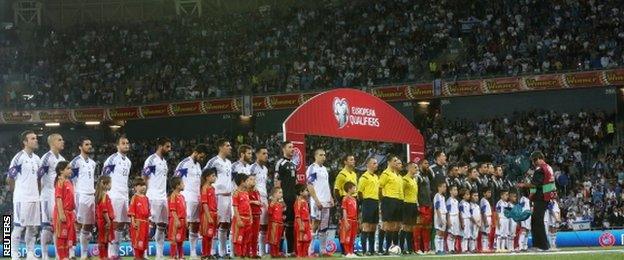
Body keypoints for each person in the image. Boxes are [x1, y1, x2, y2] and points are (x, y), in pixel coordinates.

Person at [8, 130, 42, 260]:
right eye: (33, 138)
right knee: (18, 226)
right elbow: (10, 178)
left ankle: (30, 253)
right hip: (22, 198)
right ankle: (14, 253)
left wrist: (37, 193)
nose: (36, 140)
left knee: (32, 228)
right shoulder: (19, 157)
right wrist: (16, 194)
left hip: (34, 197)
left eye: (36, 138)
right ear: (25, 142)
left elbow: (39, 179)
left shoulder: (37, 159)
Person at [517, 151, 557, 251]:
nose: (534, 163)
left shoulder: (540, 169)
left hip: (541, 197)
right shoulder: (549, 168)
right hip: (547, 196)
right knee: (538, 220)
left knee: (536, 221)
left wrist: (523, 185)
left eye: (534, 161)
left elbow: (535, 184)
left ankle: (540, 246)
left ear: (539, 158)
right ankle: (544, 245)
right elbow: (550, 184)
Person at [175, 143, 209, 259]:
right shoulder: (185, 163)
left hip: (197, 198)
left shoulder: (198, 165)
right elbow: (176, 179)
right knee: (184, 225)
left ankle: (193, 252)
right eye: (201, 156)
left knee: (195, 225)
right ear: (196, 152)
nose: (202, 159)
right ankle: (178, 253)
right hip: (187, 198)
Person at [102, 135, 132, 259]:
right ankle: (110, 252)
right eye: (123, 143)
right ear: (117, 146)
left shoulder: (129, 161)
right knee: (114, 223)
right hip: (113, 195)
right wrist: (104, 195)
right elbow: (104, 178)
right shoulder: (112, 159)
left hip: (124, 195)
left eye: (127, 143)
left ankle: (116, 251)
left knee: (122, 224)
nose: (126, 145)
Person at [142, 137, 172, 260]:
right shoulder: (152, 160)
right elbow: (144, 175)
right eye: (167, 146)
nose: (169, 149)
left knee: (162, 225)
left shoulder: (164, 161)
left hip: (163, 197)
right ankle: (143, 253)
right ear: (160, 146)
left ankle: (159, 255)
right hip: (153, 196)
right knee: (148, 225)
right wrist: (145, 194)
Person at [38, 133, 66, 260]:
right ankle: (44, 255)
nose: (63, 141)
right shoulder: (46, 157)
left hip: (58, 196)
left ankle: (57, 255)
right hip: (47, 195)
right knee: (47, 226)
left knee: (58, 226)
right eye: (60, 140)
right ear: (52, 143)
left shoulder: (62, 159)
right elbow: (38, 176)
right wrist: (39, 193)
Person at [204, 139, 233, 258]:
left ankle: (222, 252)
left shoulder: (229, 162)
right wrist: (208, 190)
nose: (230, 147)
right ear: (220, 147)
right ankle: (211, 251)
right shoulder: (214, 161)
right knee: (215, 224)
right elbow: (204, 174)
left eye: (229, 145)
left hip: (228, 196)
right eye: (227, 145)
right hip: (218, 196)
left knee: (225, 225)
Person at [70, 137, 96, 260]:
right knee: (78, 224)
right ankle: (74, 252)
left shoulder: (93, 163)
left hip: (91, 195)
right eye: (86, 144)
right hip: (80, 195)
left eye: (90, 144)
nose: (89, 146)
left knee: (89, 226)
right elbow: (70, 179)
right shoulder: (76, 162)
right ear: (80, 147)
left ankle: (85, 252)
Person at [306, 149, 333, 256]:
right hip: (317, 201)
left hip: (326, 201)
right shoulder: (312, 168)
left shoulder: (325, 169)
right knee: (315, 225)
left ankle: (323, 250)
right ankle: (310, 251)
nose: (323, 157)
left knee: (324, 226)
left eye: (324, 155)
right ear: (315, 156)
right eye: (321, 155)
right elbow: (309, 185)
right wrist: (316, 200)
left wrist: (330, 197)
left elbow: (326, 184)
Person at [275, 141, 297, 256]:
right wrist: (279, 200)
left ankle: (290, 251)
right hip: (284, 199)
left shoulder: (293, 164)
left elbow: (295, 183)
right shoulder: (280, 163)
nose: (292, 149)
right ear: (284, 149)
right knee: (281, 225)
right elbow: (277, 183)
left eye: (293, 147)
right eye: (290, 147)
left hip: (292, 199)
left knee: (291, 225)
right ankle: (278, 250)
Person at [379, 155, 404, 253]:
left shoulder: (396, 175)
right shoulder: (385, 174)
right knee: (387, 225)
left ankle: (393, 247)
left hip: (398, 201)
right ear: (389, 162)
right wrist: (383, 200)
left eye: (397, 161)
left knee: (396, 226)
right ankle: (382, 249)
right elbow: (380, 187)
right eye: (394, 161)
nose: (396, 163)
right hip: (388, 200)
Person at [53, 161, 76, 260]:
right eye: (68, 168)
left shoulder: (69, 181)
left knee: (68, 237)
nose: (70, 170)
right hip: (62, 213)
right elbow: (58, 198)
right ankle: (61, 257)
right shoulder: (60, 182)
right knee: (61, 236)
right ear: (61, 171)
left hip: (70, 213)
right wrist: (61, 214)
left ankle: (66, 256)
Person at [250, 146, 270, 256]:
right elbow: (250, 183)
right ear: (257, 154)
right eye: (263, 153)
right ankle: (252, 250)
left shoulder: (265, 169)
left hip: (264, 197)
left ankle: (262, 252)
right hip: (256, 198)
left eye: (267, 153)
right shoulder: (252, 168)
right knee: (255, 226)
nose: (266, 155)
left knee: (264, 225)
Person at [357, 157, 379, 256]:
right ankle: (364, 251)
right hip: (367, 202)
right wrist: (363, 203)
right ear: (369, 165)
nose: (376, 165)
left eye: (376, 163)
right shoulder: (364, 177)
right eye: (374, 163)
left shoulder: (376, 177)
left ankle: (372, 250)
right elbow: (359, 192)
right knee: (366, 227)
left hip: (375, 202)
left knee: (373, 227)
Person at [414, 159, 433, 254]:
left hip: (428, 205)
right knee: (418, 227)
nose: (428, 165)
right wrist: (417, 204)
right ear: (420, 164)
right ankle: (417, 248)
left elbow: (433, 176)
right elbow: (414, 191)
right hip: (421, 205)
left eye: (428, 163)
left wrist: (429, 169)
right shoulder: (418, 176)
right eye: (426, 163)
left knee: (426, 228)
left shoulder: (427, 175)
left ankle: (426, 249)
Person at [128, 177, 150, 259]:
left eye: (144, 185)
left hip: (145, 223)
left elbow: (148, 212)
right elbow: (132, 211)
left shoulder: (146, 198)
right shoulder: (135, 197)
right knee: (137, 241)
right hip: (138, 222)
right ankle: (137, 257)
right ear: (136, 187)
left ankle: (141, 256)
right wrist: (133, 222)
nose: (143, 187)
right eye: (141, 185)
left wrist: (149, 223)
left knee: (144, 241)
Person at [232, 174, 253, 257]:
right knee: (239, 238)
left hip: (248, 219)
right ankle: (239, 254)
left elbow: (249, 206)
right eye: (247, 181)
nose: (248, 182)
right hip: (240, 218)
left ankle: (243, 253)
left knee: (246, 238)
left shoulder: (246, 193)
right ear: (242, 182)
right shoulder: (236, 193)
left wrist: (251, 217)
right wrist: (238, 219)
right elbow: (235, 207)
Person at [400, 162, 418, 254]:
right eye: (415, 167)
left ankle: (410, 249)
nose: (417, 169)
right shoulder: (404, 180)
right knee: (405, 227)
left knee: (411, 228)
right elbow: (401, 192)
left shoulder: (414, 179)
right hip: (406, 204)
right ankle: (402, 248)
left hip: (414, 204)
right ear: (409, 168)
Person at [199, 168, 218, 258]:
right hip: (207, 214)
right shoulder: (204, 188)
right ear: (207, 177)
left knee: (211, 235)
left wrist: (216, 213)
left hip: (214, 213)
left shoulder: (213, 188)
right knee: (206, 235)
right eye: (213, 176)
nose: (215, 177)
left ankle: (209, 253)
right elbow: (204, 203)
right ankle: (204, 254)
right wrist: (208, 216)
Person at [95, 176, 114, 260]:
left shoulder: (103, 195)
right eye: (110, 183)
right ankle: (102, 257)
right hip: (104, 221)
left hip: (103, 220)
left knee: (105, 240)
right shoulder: (103, 195)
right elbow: (104, 209)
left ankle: (105, 256)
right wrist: (108, 221)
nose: (111, 185)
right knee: (103, 239)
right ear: (105, 184)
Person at [168, 177, 187, 260]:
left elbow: (184, 210)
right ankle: (173, 256)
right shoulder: (173, 196)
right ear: (177, 186)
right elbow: (172, 210)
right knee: (174, 238)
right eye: (182, 183)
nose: (184, 185)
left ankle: (181, 256)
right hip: (175, 221)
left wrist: (185, 221)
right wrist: (176, 220)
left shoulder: (182, 197)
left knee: (181, 239)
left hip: (182, 220)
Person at [340, 182, 358, 258]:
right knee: (347, 237)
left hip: (354, 220)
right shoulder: (345, 199)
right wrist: (346, 221)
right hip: (348, 219)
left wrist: (357, 220)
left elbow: (355, 210)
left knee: (353, 237)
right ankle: (347, 252)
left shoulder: (354, 199)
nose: (355, 189)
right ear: (349, 189)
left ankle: (351, 251)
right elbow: (344, 210)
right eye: (354, 188)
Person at [294, 184, 312, 257]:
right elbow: (297, 215)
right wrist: (300, 225)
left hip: (307, 223)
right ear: (301, 192)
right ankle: (300, 255)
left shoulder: (305, 202)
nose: (307, 192)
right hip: (301, 223)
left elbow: (307, 214)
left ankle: (305, 254)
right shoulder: (298, 202)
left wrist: (310, 223)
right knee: (301, 239)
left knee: (308, 239)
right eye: (306, 191)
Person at [248, 175, 263, 257]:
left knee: (255, 235)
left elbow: (259, 201)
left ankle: (254, 253)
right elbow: (245, 202)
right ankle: (247, 252)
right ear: (247, 181)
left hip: (257, 215)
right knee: (249, 234)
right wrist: (254, 202)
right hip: (249, 216)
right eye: (251, 179)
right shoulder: (246, 191)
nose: (253, 181)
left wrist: (260, 204)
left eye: (254, 179)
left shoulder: (257, 192)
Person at [267, 187, 285, 257]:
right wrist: (271, 205)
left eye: (282, 193)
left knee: (278, 239)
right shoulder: (272, 203)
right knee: (273, 239)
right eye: (280, 193)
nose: (281, 194)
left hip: (280, 223)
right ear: (274, 194)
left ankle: (277, 253)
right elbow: (269, 213)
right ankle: (273, 253)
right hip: (274, 224)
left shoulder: (280, 204)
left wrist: (282, 218)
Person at [433, 182, 447, 254]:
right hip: (439, 215)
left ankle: (441, 249)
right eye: (443, 186)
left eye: (445, 187)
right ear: (439, 187)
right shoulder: (437, 196)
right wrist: (440, 219)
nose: (445, 188)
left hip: (443, 215)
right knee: (438, 232)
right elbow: (437, 208)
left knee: (442, 233)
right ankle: (437, 249)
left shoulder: (443, 197)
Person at [446, 185, 460, 253]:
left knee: (455, 234)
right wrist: (448, 221)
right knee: (450, 234)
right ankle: (450, 249)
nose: (456, 191)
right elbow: (447, 211)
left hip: (456, 217)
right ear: (450, 191)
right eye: (454, 190)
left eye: (456, 190)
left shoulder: (456, 201)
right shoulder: (449, 200)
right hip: (451, 217)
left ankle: (453, 248)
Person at [480, 187, 493, 252]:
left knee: (487, 233)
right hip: (486, 218)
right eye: (488, 192)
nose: (489, 194)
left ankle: (486, 247)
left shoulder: (486, 200)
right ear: (484, 193)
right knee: (484, 233)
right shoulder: (483, 200)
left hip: (488, 217)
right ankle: (484, 248)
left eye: (490, 192)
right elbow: (483, 211)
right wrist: (485, 221)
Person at [459, 188, 472, 253]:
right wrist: (462, 222)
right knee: (464, 235)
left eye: (469, 194)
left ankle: (466, 248)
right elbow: (460, 213)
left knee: (467, 235)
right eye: (467, 194)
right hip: (464, 219)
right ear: (463, 196)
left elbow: (469, 213)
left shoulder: (468, 204)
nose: (469, 196)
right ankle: (463, 249)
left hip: (468, 220)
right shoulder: (461, 203)